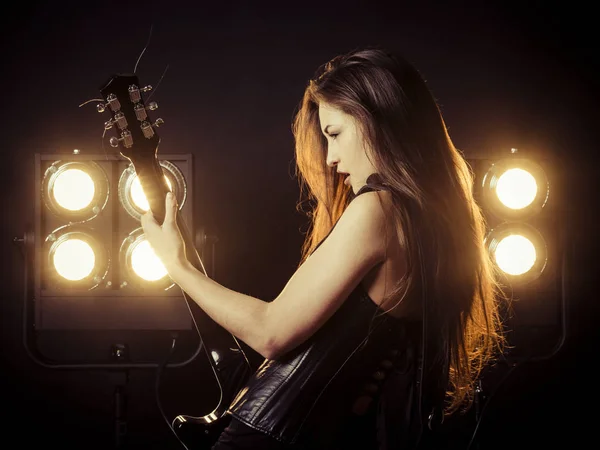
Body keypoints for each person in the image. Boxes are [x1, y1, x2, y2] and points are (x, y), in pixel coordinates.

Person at [141, 46, 506, 449]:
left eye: (335, 134)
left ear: (379, 119)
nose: (330, 158)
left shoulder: (379, 209)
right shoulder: (438, 223)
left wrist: (177, 265)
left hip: (268, 437)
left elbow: (270, 332)